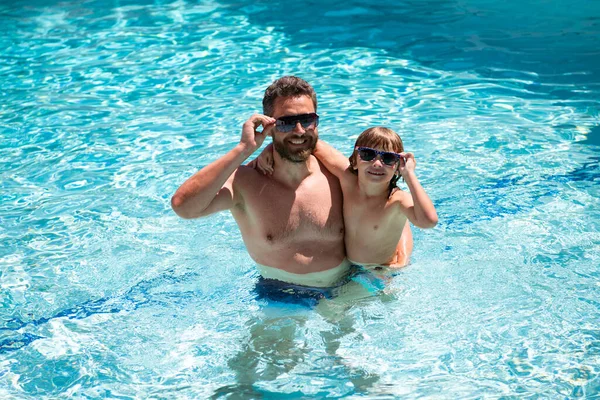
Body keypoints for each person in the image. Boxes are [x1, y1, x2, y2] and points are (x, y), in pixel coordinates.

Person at [171, 76, 351, 288]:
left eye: (308, 119)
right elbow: (184, 208)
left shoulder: (337, 175)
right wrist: (244, 148)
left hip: (345, 288)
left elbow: (386, 199)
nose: (300, 130)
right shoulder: (245, 183)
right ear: (269, 125)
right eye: (287, 123)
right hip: (279, 295)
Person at [255, 126, 438, 268]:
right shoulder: (348, 179)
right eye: (368, 154)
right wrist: (271, 148)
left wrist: (410, 175)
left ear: (398, 166)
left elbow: (428, 221)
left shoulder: (396, 200)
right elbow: (310, 143)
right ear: (355, 159)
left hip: (380, 269)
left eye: (388, 159)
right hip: (348, 267)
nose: (377, 163)